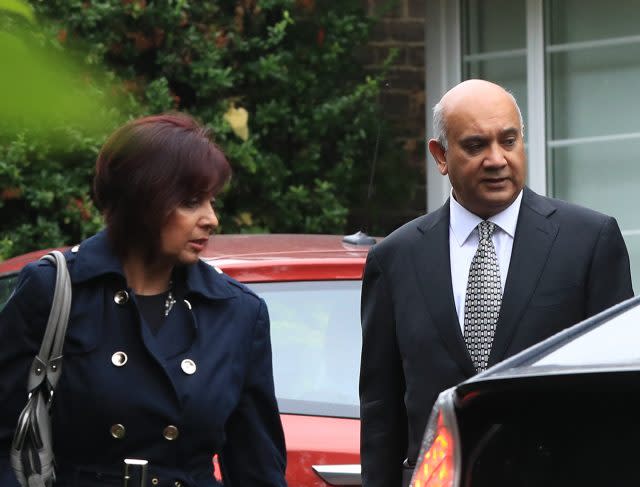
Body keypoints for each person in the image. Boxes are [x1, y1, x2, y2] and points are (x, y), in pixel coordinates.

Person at [359, 79, 634, 487]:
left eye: (509, 141)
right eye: (475, 146)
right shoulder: (395, 258)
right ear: (441, 156)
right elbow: (382, 411)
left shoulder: (589, 240)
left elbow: (622, 398)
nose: (497, 159)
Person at [0, 114, 287, 486]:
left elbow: (256, 467)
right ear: (142, 199)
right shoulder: (55, 289)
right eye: (191, 202)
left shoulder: (236, 311)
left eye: (211, 201)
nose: (211, 219)